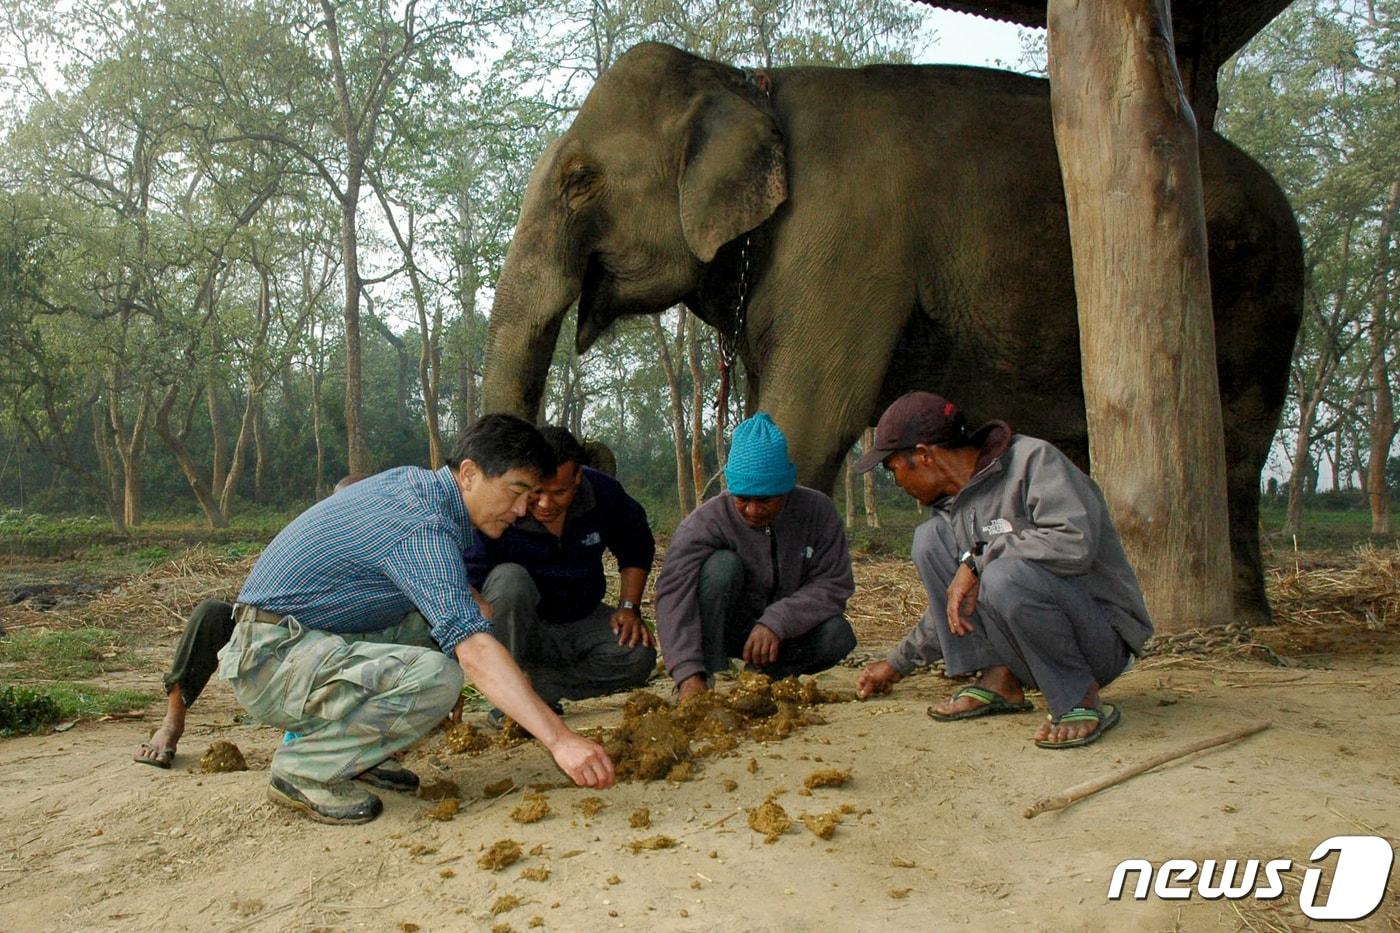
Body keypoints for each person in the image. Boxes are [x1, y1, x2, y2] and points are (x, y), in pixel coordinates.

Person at [217, 415, 614, 824]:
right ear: (469, 474)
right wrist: (560, 740)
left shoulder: (417, 490)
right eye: (516, 492)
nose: (521, 510)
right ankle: (303, 769)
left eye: (528, 497)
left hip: (299, 643)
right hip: (270, 660)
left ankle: (362, 756)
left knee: (453, 620)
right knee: (438, 675)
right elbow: (474, 651)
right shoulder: (421, 523)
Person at [852, 392, 1152, 749]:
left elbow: (1074, 543)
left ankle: (1077, 697)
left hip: (1097, 640)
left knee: (1003, 575)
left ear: (923, 455)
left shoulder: (1034, 462)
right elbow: (956, 604)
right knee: (930, 539)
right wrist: (897, 663)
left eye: (892, 468)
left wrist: (978, 561)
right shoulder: (955, 507)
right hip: (1025, 651)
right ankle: (999, 677)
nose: (897, 483)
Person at [132, 475, 370, 770]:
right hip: (276, 637)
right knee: (212, 614)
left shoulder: (386, 547)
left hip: (331, 647)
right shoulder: (309, 538)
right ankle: (172, 722)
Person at [654, 413, 857, 701]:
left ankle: (766, 677)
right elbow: (673, 593)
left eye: (765, 500)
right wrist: (687, 671)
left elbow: (834, 583)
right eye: (743, 499)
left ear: (785, 489)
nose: (752, 510)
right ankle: (710, 673)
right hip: (729, 631)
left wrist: (777, 620)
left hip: (785, 634)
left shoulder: (818, 512)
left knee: (838, 634)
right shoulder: (705, 521)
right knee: (722, 567)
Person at [467, 427, 657, 726]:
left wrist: (629, 607)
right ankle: (511, 699)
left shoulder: (604, 493)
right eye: (537, 492)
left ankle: (535, 689)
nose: (545, 504)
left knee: (638, 654)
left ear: (578, 477)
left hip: (580, 618)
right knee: (509, 579)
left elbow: (636, 548)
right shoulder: (502, 504)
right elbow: (468, 580)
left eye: (559, 492)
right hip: (519, 627)